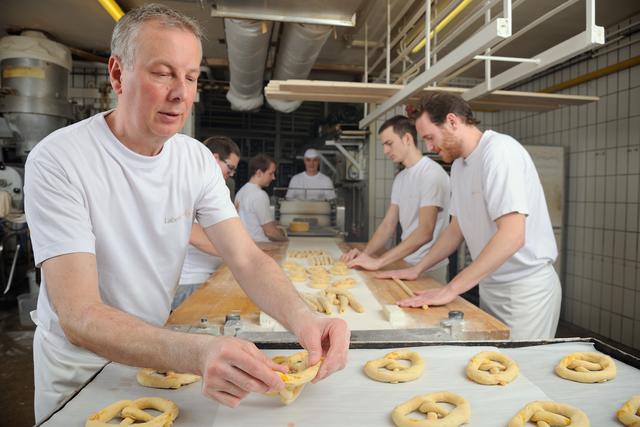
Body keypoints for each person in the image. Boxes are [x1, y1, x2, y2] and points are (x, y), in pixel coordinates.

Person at [24, 4, 349, 422]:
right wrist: (196, 351)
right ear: (118, 74)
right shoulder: (61, 159)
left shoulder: (194, 159)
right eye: (162, 73)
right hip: (79, 369)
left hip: (154, 355)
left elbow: (246, 258)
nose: (181, 92)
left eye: (192, 77)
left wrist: (305, 319)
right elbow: (79, 314)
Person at [377, 92, 561, 340]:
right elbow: (456, 229)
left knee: (519, 371)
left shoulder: (499, 153)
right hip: (491, 285)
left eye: (430, 138)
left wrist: (451, 289)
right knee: (491, 366)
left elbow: (513, 235)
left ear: (453, 122)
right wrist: (417, 268)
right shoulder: (459, 167)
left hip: (524, 291)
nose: (430, 147)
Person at [341, 116, 450, 283]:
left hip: (429, 268)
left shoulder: (431, 174)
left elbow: (425, 232)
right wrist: (365, 255)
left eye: (389, 143)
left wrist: (379, 261)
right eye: (383, 145)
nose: (385, 151)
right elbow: (387, 225)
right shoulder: (401, 178)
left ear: (407, 139)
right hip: (405, 261)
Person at [173, 136, 240, 310]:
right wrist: (240, 253)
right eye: (230, 168)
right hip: (189, 284)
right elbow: (194, 235)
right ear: (214, 158)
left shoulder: (211, 191)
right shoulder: (185, 186)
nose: (230, 174)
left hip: (204, 279)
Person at [235, 154, 288, 242]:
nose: (273, 177)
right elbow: (270, 232)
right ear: (259, 172)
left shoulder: (240, 192)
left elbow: (250, 221)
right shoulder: (259, 195)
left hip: (245, 244)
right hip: (261, 246)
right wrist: (286, 241)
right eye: (270, 173)